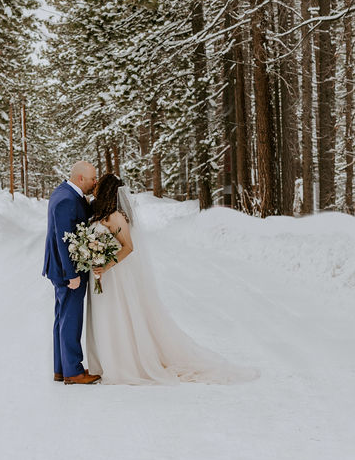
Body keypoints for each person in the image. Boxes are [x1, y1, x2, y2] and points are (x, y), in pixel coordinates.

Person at [85, 174, 257, 385]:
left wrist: (106, 265)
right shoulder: (99, 214)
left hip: (114, 275)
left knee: (117, 314)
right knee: (106, 315)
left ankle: (123, 363)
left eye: (98, 186)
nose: (95, 188)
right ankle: (105, 360)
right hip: (103, 276)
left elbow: (128, 247)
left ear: (106, 191)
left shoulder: (116, 217)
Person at [42, 161, 101, 384]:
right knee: (71, 320)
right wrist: (72, 275)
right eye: (92, 179)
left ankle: (61, 368)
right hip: (68, 271)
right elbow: (62, 240)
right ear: (80, 179)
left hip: (64, 269)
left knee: (62, 318)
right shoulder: (66, 199)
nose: (94, 182)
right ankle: (73, 372)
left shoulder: (66, 192)